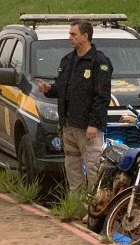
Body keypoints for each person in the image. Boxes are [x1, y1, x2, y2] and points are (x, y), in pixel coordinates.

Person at [37, 20, 112, 191]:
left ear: (85, 36)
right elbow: (62, 88)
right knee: (72, 170)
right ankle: (77, 207)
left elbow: (101, 97)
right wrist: (49, 89)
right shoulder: (68, 60)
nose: (69, 38)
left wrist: (94, 124)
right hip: (68, 126)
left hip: (88, 129)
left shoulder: (99, 62)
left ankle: (94, 210)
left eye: (73, 34)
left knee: (93, 169)